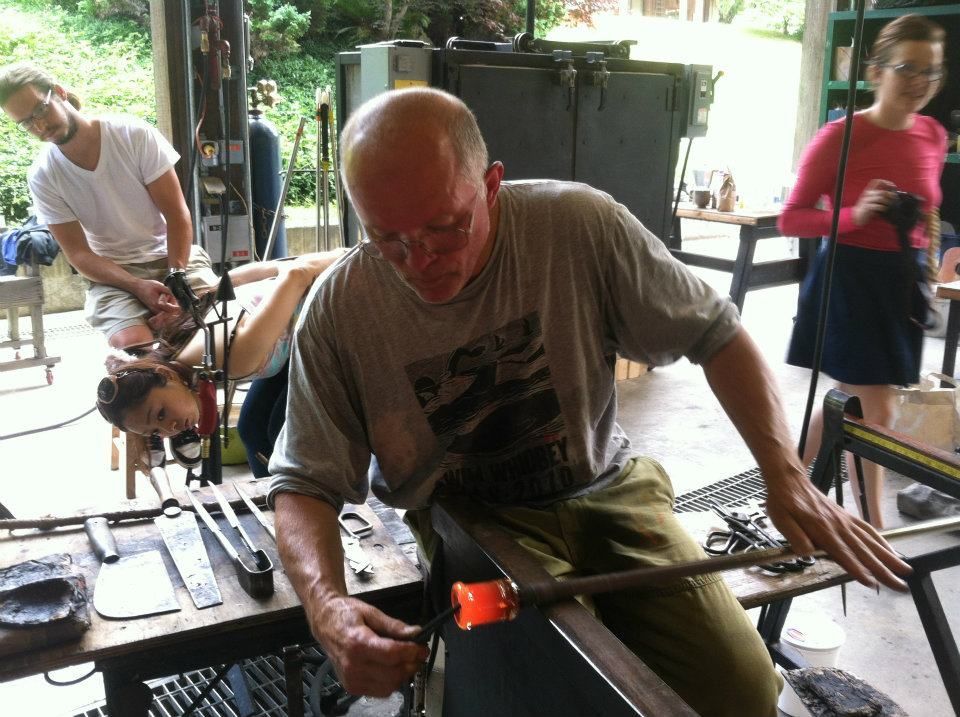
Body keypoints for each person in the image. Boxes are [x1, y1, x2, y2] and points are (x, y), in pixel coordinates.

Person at [267, 88, 911, 717]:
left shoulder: (577, 226)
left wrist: (785, 473)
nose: (420, 260)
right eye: (389, 239)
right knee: (560, 685)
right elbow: (303, 482)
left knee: (742, 691)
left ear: (492, 184)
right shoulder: (339, 314)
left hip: (610, 493)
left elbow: (717, 334)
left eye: (445, 227)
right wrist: (327, 608)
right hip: (473, 524)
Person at [780, 14, 947, 529]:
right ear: (875, 72)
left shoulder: (933, 134)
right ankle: (873, 532)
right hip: (849, 278)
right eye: (908, 68)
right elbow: (793, 217)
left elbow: (929, 210)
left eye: (933, 72)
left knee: (851, 407)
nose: (921, 82)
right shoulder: (841, 137)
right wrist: (858, 214)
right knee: (880, 415)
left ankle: (781, 486)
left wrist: (933, 261)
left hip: (900, 281)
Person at [0, 62, 217, 349]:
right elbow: (78, 253)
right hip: (115, 272)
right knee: (134, 347)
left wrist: (176, 272)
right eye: (26, 122)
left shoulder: (132, 134)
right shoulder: (43, 174)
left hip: (175, 257)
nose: (39, 126)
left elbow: (177, 215)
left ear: (60, 93)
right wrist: (135, 286)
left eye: (40, 110)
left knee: (215, 330)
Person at [94, 249, 347, 475]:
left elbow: (297, 273)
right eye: (156, 431)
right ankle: (273, 509)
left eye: (160, 414)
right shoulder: (184, 349)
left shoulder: (234, 357)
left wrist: (359, 255)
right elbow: (231, 280)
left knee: (284, 437)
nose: (170, 429)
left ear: (166, 375)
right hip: (296, 342)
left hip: (340, 314)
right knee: (253, 431)